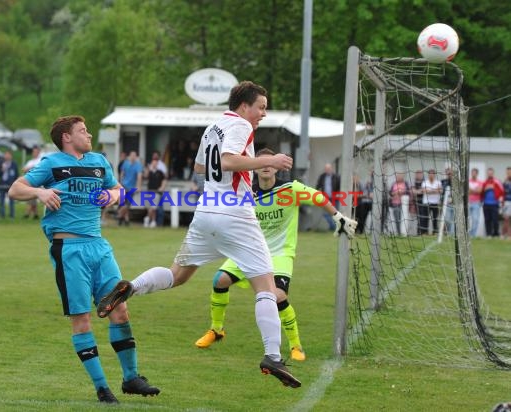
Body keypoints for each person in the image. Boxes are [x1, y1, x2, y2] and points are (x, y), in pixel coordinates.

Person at [97, 81, 356, 388]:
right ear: (244, 105)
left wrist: (234, 171)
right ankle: (272, 356)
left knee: (177, 274)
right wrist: (267, 160)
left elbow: (199, 166)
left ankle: (129, 288)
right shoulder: (241, 126)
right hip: (235, 214)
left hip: (208, 211)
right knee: (265, 286)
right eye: (261, 106)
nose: (263, 113)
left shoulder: (213, 127)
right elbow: (229, 160)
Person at [8, 115, 160, 403]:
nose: (88, 134)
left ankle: (131, 378)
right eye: (82, 130)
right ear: (67, 137)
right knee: (82, 319)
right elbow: (15, 189)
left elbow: (120, 190)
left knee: (120, 309)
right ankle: (102, 388)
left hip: (99, 247)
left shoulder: (100, 161)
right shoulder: (52, 163)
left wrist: (113, 196)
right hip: (69, 249)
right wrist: (40, 192)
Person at [194, 148, 356, 362]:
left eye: (270, 163)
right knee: (219, 280)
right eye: (261, 163)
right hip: (250, 249)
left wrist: (337, 216)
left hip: (279, 254)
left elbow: (317, 197)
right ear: (255, 167)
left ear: (276, 167)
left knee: (277, 296)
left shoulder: (290, 189)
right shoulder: (245, 192)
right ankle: (216, 330)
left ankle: (295, 345)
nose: (266, 167)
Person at [118, 151, 143, 226]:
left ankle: (119, 216)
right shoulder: (126, 163)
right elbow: (122, 173)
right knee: (123, 204)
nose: (133, 157)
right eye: (132, 155)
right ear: (129, 156)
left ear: (136, 157)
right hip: (124, 186)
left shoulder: (138, 165)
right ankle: (126, 220)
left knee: (127, 205)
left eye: (134, 156)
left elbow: (139, 177)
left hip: (131, 187)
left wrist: (138, 186)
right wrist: (120, 183)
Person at [143, 152, 167, 228]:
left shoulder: (160, 172)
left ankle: (148, 219)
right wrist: (147, 168)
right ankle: (152, 221)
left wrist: (162, 187)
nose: (154, 164)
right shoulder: (149, 172)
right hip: (149, 191)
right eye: (153, 163)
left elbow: (164, 180)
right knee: (150, 207)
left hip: (156, 192)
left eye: (156, 163)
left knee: (153, 207)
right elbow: (145, 176)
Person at [315, 163, 340, 231]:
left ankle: (335, 227)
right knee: (326, 214)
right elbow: (318, 185)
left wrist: (338, 194)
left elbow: (339, 186)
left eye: (328, 169)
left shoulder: (336, 177)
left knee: (335, 213)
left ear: (331, 169)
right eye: (326, 169)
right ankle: (333, 227)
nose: (327, 170)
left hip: (334, 198)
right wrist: (315, 193)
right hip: (325, 198)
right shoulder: (322, 177)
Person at [481, 167, 503, 238]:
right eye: (488, 172)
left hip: (494, 204)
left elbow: (502, 191)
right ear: (487, 173)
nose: (490, 174)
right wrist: (486, 188)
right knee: (487, 219)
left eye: (491, 172)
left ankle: (496, 234)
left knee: (495, 220)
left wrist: (493, 187)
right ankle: (488, 234)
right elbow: (481, 192)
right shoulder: (484, 182)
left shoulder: (497, 181)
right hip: (486, 204)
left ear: (493, 173)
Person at [0, 150, 18, 218]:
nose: (7, 156)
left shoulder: (14, 164)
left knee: (11, 202)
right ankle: (1, 215)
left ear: (11, 156)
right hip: (2, 184)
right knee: (1, 201)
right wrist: (2, 170)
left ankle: (12, 215)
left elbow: (16, 175)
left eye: (9, 154)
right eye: (6, 154)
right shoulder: (1, 163)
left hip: (11, 186)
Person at [22, 146, 42, 219]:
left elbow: (38, 170)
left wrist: (29, 169)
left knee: (32, 197)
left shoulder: (40, 160)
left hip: (37, 182)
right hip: (30, 182)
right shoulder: (30, 161)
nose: (34, 153)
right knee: (32, 198)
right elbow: (24, 169)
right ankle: (35, 214)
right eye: (33, 152)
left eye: (36, 152)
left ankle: (27, 213)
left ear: (38, 152)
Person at [421, 169, 442, 235]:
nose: (431, 175)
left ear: (434, 174)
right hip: (426, 203)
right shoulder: (425, 182)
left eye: (433, 173)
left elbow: (440, 191)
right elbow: (424, 191)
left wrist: (429, 190)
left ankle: (435, 232)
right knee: (425, 218)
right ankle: (425, 232)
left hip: (435, 203)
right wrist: (435, 190)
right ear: (428, 174)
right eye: (430, 173)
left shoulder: (438, 182)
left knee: (435, 218)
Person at [468, 168, 483, 238]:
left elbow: (479, 191)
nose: (473, 174)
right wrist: (475, 190)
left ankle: (472, 235)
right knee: (466, 219)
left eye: (475, 173)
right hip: (468, 202)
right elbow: (467, 191)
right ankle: (466, 234)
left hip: (476, 203)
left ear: (477, 174)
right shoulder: (468, 181)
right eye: (472, 173)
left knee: (475, 219)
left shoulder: (480, 182)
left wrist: (471, 190)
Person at [411, 170, 426, 235]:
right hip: (416, 202)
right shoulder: (414, 182)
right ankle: (418, 232)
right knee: (418, 218)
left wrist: (418, 191)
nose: (418, 175)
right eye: (417, 174)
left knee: (423, 217)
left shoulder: (425, 182)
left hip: (424, 202)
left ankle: (423, 232)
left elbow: (423, 191)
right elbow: (413, 191)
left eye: (420, 174)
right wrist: (419, 191)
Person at [441, 168, 454, 236]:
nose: (449, 175)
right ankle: (447, 232)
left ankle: (451, 234)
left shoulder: (456, 182)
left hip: (455, 204)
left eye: (451, 173)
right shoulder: (443, 181)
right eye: (448, 173)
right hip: (446, 204)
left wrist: (453, 198)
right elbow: (441, 192)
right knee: (447, 219)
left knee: (454, 220)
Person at [500, 167, 511, 239]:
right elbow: (502, 193)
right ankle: (504, 234)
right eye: (508, 172)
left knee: (508, 219)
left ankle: (507, 235)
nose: (509, 174)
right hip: (506, 202)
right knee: (506, 218)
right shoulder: (504, 182)